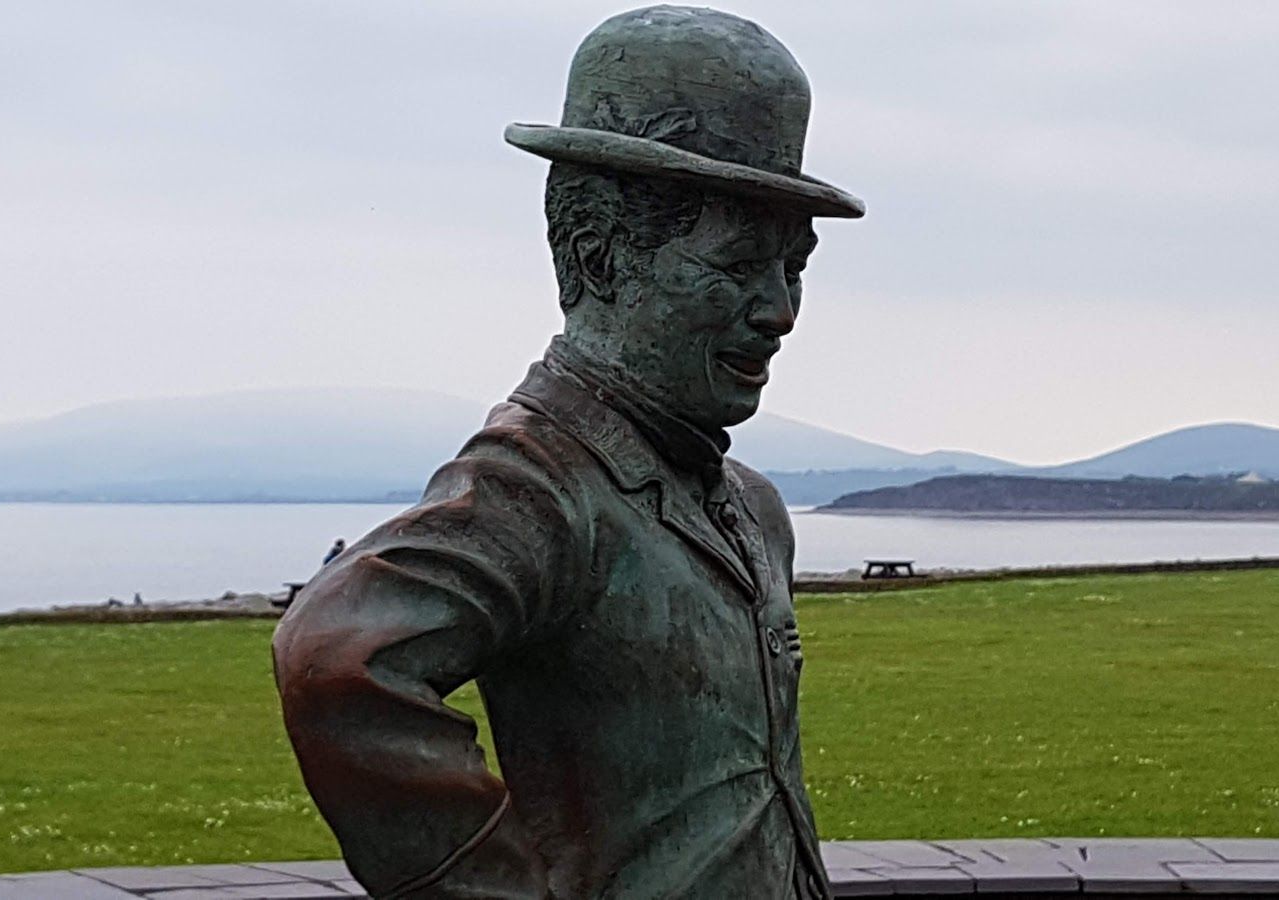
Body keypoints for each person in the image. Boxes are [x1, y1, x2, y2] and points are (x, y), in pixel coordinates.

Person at [273, 8, 864, 898]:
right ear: (596, 256)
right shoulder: (540, 488)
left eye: (794, 267)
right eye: (739, 262)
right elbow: (337, 659)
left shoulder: (752, 508)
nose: (778, 307)